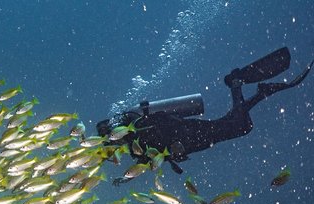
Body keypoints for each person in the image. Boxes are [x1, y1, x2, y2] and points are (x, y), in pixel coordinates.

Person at [97, 47, 312, 174]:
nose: (113, 145)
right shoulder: (133, 141)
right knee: (235, 124)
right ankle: (258, 92)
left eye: (110, 141)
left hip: (190, 133)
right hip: (192, 139)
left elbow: (163, 123)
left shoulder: (137, 127)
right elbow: (154, 154)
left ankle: (238, 83)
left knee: (241, 126)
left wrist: (175, 143)